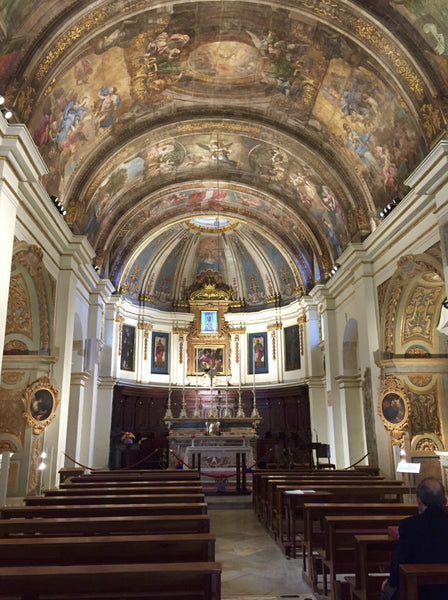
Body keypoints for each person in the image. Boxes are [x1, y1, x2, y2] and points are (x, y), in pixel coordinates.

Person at [381, 476, 448, 600]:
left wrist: (390, 582)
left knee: (388, 590)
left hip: (418, 591)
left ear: (419, 499)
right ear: (443, 499)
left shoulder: (409, 525)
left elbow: (400, 562)